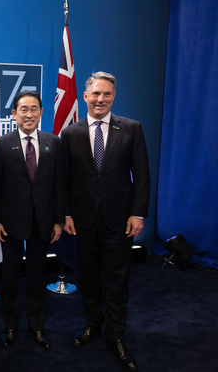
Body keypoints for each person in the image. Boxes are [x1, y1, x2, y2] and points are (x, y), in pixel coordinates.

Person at [61, 72, 150, 371]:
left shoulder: (132, 129)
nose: (101, 99)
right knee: (87, 278)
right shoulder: (70, 133)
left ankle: (116, 336)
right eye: (95, 94)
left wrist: (137, 213)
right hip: (83, 221)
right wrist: (67, 213)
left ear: (114, 96)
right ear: (85, 96)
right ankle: (92, 325)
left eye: (107, 94)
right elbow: (64, 179)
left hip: (120, 220)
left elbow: (142, 175)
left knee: (116, 280)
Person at [0, 91, 64, 350]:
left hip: (43, 223)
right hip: (10, 224)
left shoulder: (53, 142)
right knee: (9, 277)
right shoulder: (2, 143)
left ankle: (37, 326)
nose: (29, 114)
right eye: (23, 109)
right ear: (14, 114)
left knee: (36, 277)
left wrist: (58, 220)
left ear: (41, 112)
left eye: (34, 109)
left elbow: (59, 185)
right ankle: (10, 326)